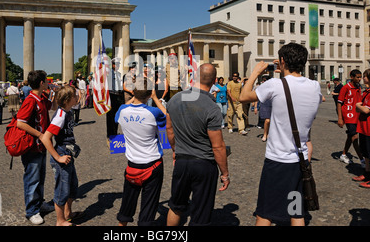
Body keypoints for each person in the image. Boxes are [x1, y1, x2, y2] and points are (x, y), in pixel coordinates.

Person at [239, 42, 323, 226]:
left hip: (278, 160)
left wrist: (255, 73)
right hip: (300, 161)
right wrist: (286, 71)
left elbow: (243, 97)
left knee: (265, 213)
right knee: (296, 212)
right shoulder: (315, 86)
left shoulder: (275, 85)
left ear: (282, 61)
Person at [166, 63, 230, 226]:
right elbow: (218, 146)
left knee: (175, 207)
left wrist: (175, 150)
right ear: (215, 81)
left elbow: (169, 130)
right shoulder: (212, 107)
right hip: (204, 164)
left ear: (194, 77)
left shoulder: (174, 99)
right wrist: (224, 173)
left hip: (182, 161)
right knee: (201, 215)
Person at [115, 80, 167, 226]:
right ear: (150, 94)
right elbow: (166, 116)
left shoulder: (122, 110)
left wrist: (134, 96)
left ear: (133, 92)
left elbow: (119, 114)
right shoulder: (153, 112)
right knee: (149, 206)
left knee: (127, 203)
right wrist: (155, 98)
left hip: (132, 164)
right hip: (152, 163)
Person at [39, 85, 84, 226]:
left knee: (72, 186)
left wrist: (79, 96)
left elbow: (78, 100)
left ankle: (67, 213)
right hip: (61, 155)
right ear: (69, 99)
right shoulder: (60, 115)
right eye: (75, 95)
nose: (77, 97)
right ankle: (60, 221)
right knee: (62, 189)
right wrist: (58, 157)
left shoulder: (68, 110)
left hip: (68, 154)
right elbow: (45, 138)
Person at [16, 70, 53, 225]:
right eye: (46, 81)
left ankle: (40, 203)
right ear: (41, 83)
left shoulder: (41, 97)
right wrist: (40, 135)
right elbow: (20, 122)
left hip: (41, 147)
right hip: (32, 147)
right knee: (32, 179)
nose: (48, 83)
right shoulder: (30, 100)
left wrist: (53, 93)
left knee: (40, 178)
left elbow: (52, 107)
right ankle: (31, 211)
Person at [337, 69, 364, 166]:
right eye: (358, 77)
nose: (360, 79)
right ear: (351, 77)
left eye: (360, 77)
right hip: (348, 116)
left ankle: (343, 154)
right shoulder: (345, 88)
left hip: (357, 115)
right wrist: (340, 118)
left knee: (350, 136)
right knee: (354, 136)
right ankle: (362, 160)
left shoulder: (359, 87)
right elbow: (339, 103)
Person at [354, 68, 370, 188]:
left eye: (365, 76)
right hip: (363, 127)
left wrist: (358, 105)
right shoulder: (366, 92)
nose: (362, 78)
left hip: (369, 127)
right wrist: (359, 106)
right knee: (365, 152)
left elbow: (364, 109)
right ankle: (367, 174)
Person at [107, 58, 124, 140]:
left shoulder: (119, 74)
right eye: (116, 64)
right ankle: (110, 134)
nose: (117, 66)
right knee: (110, 116)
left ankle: (115, 132)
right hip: (111, 95)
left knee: (117, 116)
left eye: (118, 64)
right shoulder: (109, 74)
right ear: (112, 65)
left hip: (118, 95)